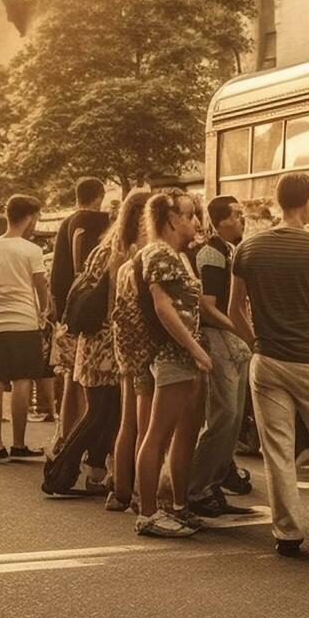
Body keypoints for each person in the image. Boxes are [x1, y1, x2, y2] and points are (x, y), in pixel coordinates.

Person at [228, 172, 309, 556]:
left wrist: (257, 344)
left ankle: (287, 533)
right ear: (307, 203)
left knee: (278, 449)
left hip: (267, 361)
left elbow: (234, 310)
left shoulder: (247, 249)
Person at [131, 189, 212, 538]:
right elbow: (163, 308)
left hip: (182, 357)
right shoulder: (160, 253)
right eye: (190, 214)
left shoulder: (177, 255)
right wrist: (194, 348)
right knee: (157, 435)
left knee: (182, 435)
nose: (195, 222)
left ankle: (177, 506)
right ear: (172, 219)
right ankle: (148, 514)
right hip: (173, 356)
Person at [42, 203, 127, 499]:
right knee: (102, 411)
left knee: (105, 411)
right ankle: (61, 470)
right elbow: (116, 302)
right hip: (107, 340)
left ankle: (91, 470)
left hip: (92, 340)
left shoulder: (102, 248)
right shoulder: (121, 252)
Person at [185, 194, 255, 518]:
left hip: (228, 339)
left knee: (232, 417)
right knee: (225, 416)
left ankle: (211, 486)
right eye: (237, 215)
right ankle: (197, 489)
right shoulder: (212, 253)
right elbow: (208, 306)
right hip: (219, 339)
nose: (242, 220)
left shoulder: (225, 251)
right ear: (220, 220)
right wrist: (240, 331)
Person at [0, 196, 50, 463]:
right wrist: (43, 312)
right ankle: (18, 444)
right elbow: (41, 285)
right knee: (21, 383)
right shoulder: (31, 250)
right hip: (24, 323)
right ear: (29, 217)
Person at [105, 191, 155, 514]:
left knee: (127, 422)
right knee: (145, 423)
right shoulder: (142, 253)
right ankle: (139, 492)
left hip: (123, 342)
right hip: (144, 344)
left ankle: (121, 491)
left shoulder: (116, 250)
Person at [50, 178, 110, 440]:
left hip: (66, 311)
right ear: (100, 195)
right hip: (86, 314)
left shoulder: (66, 221)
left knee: (71, 379)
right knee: (85, 381)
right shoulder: (90, 219)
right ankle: (80, 438)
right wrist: (82, 275)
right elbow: (80, 249)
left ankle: (65, 435)